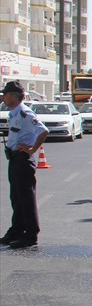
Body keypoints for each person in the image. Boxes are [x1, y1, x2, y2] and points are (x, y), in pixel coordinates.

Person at [1, 80, 49, 249]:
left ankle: (30, 235)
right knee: (16, 198)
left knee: (26, 199)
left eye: (5, 95)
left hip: (23, 160)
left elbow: (43, 131)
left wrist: (32, 149)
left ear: (13, 97)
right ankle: (16, 231)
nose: (3, 98)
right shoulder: (14, 113)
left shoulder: (24, 113)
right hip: (14, 159)